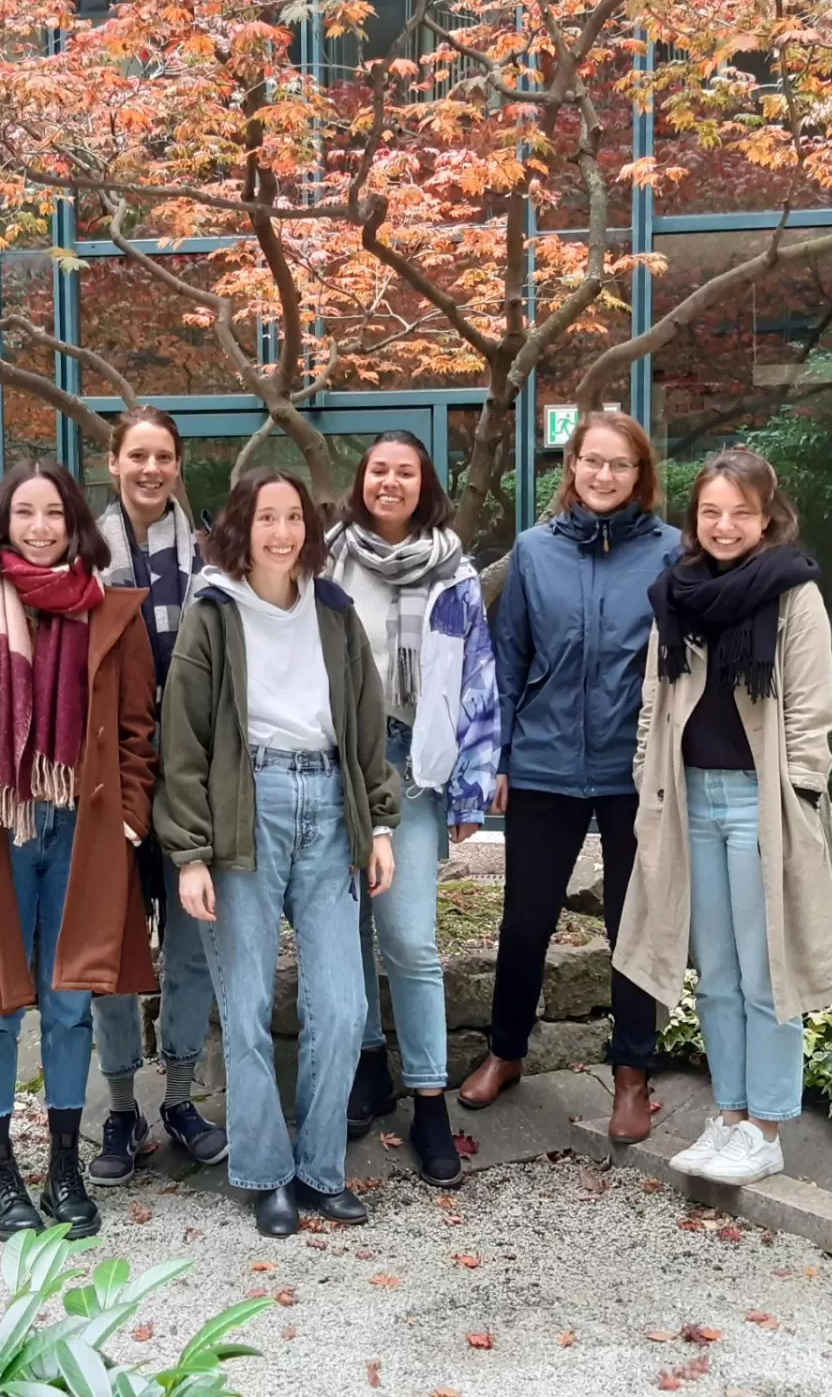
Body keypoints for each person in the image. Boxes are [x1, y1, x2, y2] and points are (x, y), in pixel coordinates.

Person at [0, 459, 160, 1241]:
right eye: (25, 513)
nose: (41, 527)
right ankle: (0, 1177)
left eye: (54, 513)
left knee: (71, 1003)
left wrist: (130, 818)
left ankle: (63, 1168)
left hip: (82, 832)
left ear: (75, 522)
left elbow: (138, 730)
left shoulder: (113, 613)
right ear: (3, 524)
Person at [157, 468, 402, 1238]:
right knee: (248, 1007)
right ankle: (266, 1175)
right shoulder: (213, 612)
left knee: (344, 1006)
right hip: (245, 808)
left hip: (328, 806)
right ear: (243, 526)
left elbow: (366, 724)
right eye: (266, 517)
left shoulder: (334, 611)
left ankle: (320, 1170)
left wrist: (381, 826)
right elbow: (183, 744)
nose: (282, 532)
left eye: (294, 517)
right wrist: (191, 854)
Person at [614, 448, 832, 1184]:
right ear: (695, 518)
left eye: (741, 512)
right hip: (688, 799)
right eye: (711, 511)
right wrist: (646, 779)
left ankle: (766, 1128)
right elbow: (654, 700)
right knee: (713, 972)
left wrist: (799, 793)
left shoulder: (793, 593)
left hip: (761, 803)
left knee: (767, 969)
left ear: (768, 517)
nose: (724, 525)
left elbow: (811, 710)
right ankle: (730, 1114)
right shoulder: (675, 592)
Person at [457, 411, 681, 1145]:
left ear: (640, 475)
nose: (604, 475)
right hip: (545, 762)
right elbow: (510, 656)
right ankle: (507, 1051)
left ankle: (632, 1074)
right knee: (526, 919)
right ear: (572, 467)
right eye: (592, 461)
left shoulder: (671, 552)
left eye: (620, 464)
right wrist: (499, 758)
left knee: (630, 925)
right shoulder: (534, 550)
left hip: (633, 768)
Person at [327, 432, 497, 1188]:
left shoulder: (453, 572)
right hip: (339, 762)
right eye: (378, 470)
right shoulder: (326, 561)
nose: (389, 482)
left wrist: (473, 783)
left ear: (424, 485)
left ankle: (430, 1100)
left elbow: (479, 678)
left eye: (405, 472)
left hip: (417, 767)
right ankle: (369, 1066)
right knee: (347, 928)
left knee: (410, 940)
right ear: (361, 480)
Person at [88, 406, 228, 1182]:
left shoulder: (210, 557)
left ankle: (178, 1097)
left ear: (177, 465)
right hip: (109, 780)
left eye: (163, 457)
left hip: (189, 780)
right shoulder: (82, 557)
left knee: (189, 947)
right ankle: (119, 1108)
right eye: (136, 455)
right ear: (114, 462)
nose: (150, 469)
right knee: (112, 951)